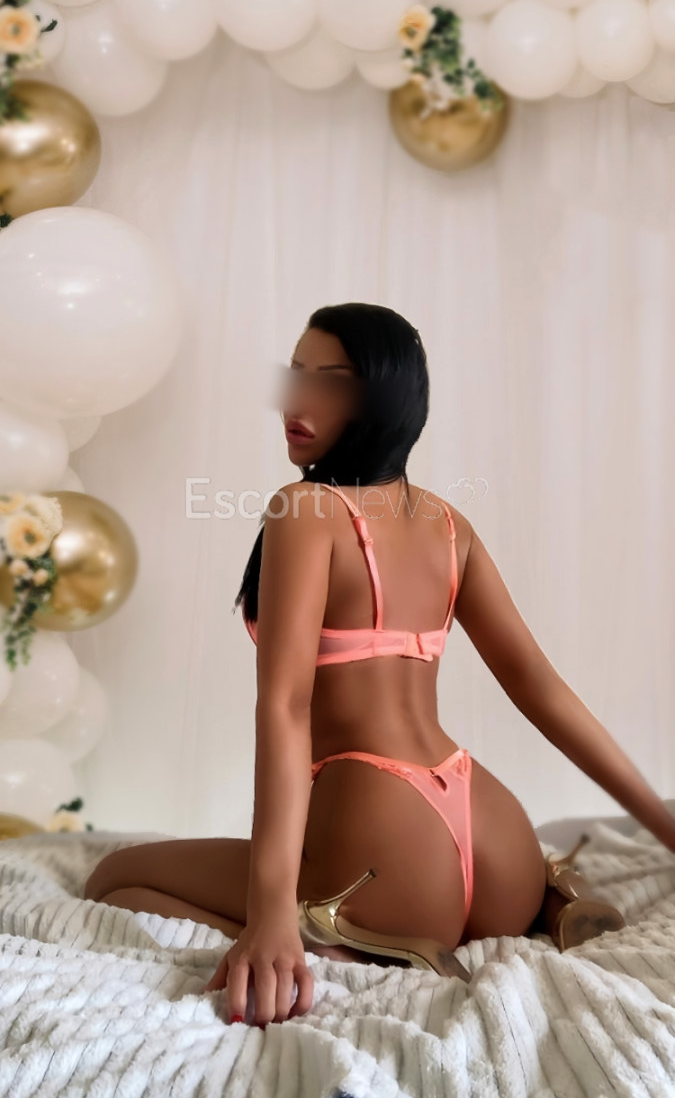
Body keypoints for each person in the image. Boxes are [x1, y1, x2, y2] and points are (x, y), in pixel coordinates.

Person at [83, 303, 675, 1030]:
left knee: (114, 877)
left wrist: (270, 916)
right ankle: (552, 896)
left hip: (386, 857)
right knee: (517, 864)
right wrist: (665, 828)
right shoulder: (448, 525)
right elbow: (540, 689)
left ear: (384, 397)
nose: (296, 401)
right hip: (497, 845)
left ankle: (343, 942)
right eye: (295, 374)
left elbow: (286, 708)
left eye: (330, 381)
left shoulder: (306, 509)